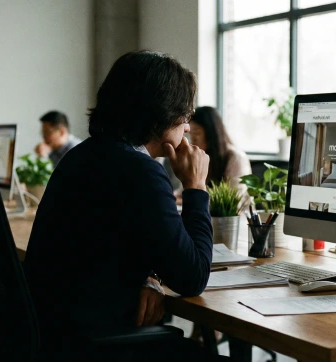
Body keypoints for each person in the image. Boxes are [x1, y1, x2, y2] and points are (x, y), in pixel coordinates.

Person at [23, 51, 221, 361]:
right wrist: (195, 186)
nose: (187, 127)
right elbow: (192, 278)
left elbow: (112, 242)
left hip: (55, 336)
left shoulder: (85, 156)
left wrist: (149, 278)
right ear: (163, 113)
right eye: (186, 113)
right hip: (94, 343)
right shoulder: (139, 171)